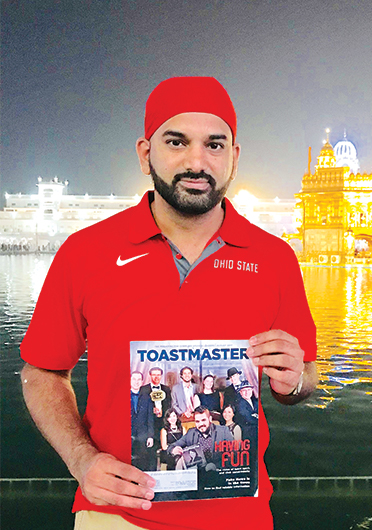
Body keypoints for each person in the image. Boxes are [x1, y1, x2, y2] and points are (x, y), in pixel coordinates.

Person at [20, 76, 318, 530]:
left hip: (239, 516)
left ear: (233, 159)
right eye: (177, 142)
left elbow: (306, 378)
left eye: (214, 145)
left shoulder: (274, 259)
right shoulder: (87, 252)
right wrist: (82, 461)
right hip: (116, 515)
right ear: (145, 154)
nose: (197, 162)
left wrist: (294, 380)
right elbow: (41, 371)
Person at [167, 407, 232, 470]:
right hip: (197, 474)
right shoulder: (191, 433)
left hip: (218, 473)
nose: (201, 424)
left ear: (210, 419)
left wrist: (217, 466)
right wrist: (173, 449)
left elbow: (234, 454)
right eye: (197, 421)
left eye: (203, 420)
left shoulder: (224, 431)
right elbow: (171, 446)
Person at [140, 367, 172, 446]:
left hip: (163, 421)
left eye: (158, 375)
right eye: (154, 375)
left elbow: (169, 404)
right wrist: (151, 410)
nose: (156, 377)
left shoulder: (166, 389)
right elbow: (141, 406)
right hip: (149, 422)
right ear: (150, 376)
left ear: (161, 376)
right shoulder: (143, 389)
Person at [130, 372, 155, 471]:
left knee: (142, 460)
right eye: (134, 379)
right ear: (130, 380)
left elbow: (150, 418)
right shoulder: (122, 396)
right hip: (127, 434)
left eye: (139, 380)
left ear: (142, 382)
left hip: (142, 435)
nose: (136, 382)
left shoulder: (147, 398)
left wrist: (150, 436)